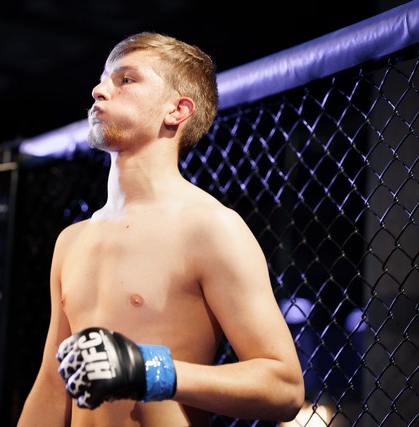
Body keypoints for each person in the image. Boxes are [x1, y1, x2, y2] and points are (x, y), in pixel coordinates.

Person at [17, 32, 305, 426]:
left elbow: (284, 387)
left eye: (126, 79)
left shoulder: (209, 227)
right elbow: (54, 385)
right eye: (103, 79)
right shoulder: (72, 240)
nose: (99, 90)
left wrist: (150, 370)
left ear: (177, 110)